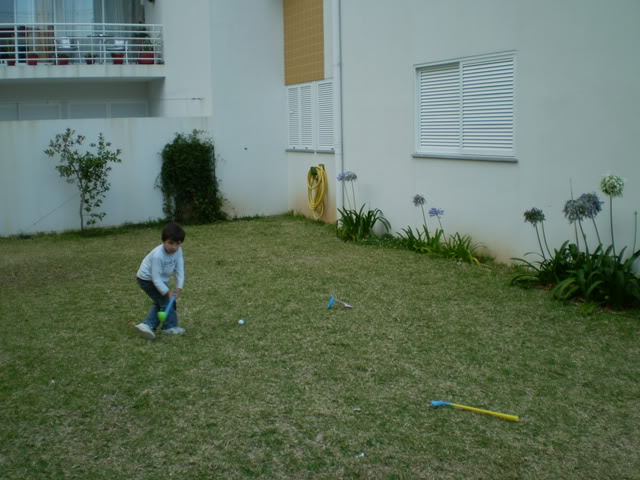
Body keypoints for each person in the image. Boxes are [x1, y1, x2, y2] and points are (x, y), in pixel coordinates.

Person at [134, 222, 186, 340]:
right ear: (164, 241)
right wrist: (167, 292)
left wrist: (179, 288)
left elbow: (180, 270)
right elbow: (155, 278)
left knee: (161, 301)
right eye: (170, 243)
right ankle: (169, 327)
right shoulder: (158, 255)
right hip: (147, 279)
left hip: (159, 280)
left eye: (177, 244)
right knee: (167, 301)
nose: (174, 247)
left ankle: (146, 325)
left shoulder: (178, 251)